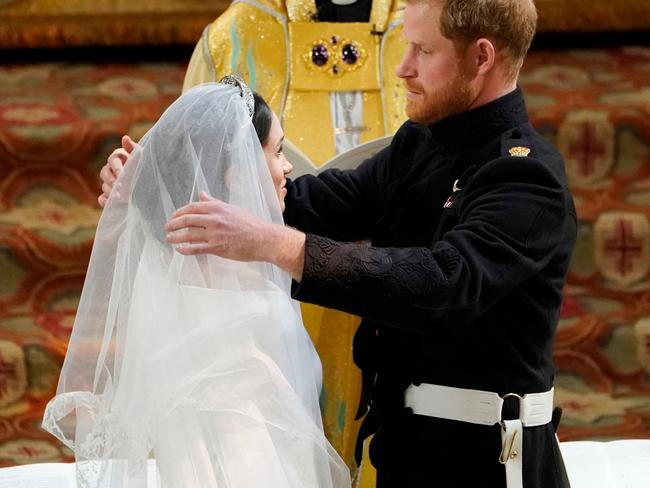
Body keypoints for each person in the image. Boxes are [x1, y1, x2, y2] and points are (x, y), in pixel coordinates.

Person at [162, 0, 580, 487]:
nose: (403, 68)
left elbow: (441, 284)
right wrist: (162, 191)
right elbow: (322, 202)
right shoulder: (423, 142)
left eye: (422, 51)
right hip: (407, 451)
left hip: (484, 460)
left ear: (482, 58)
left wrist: (275, 245)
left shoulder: (526, 176)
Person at [42, 79, 350, 488]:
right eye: (277, 151)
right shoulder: (235, 276)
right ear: (236, 170)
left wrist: (149, 185)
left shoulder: (176, 258)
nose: (288, 166)